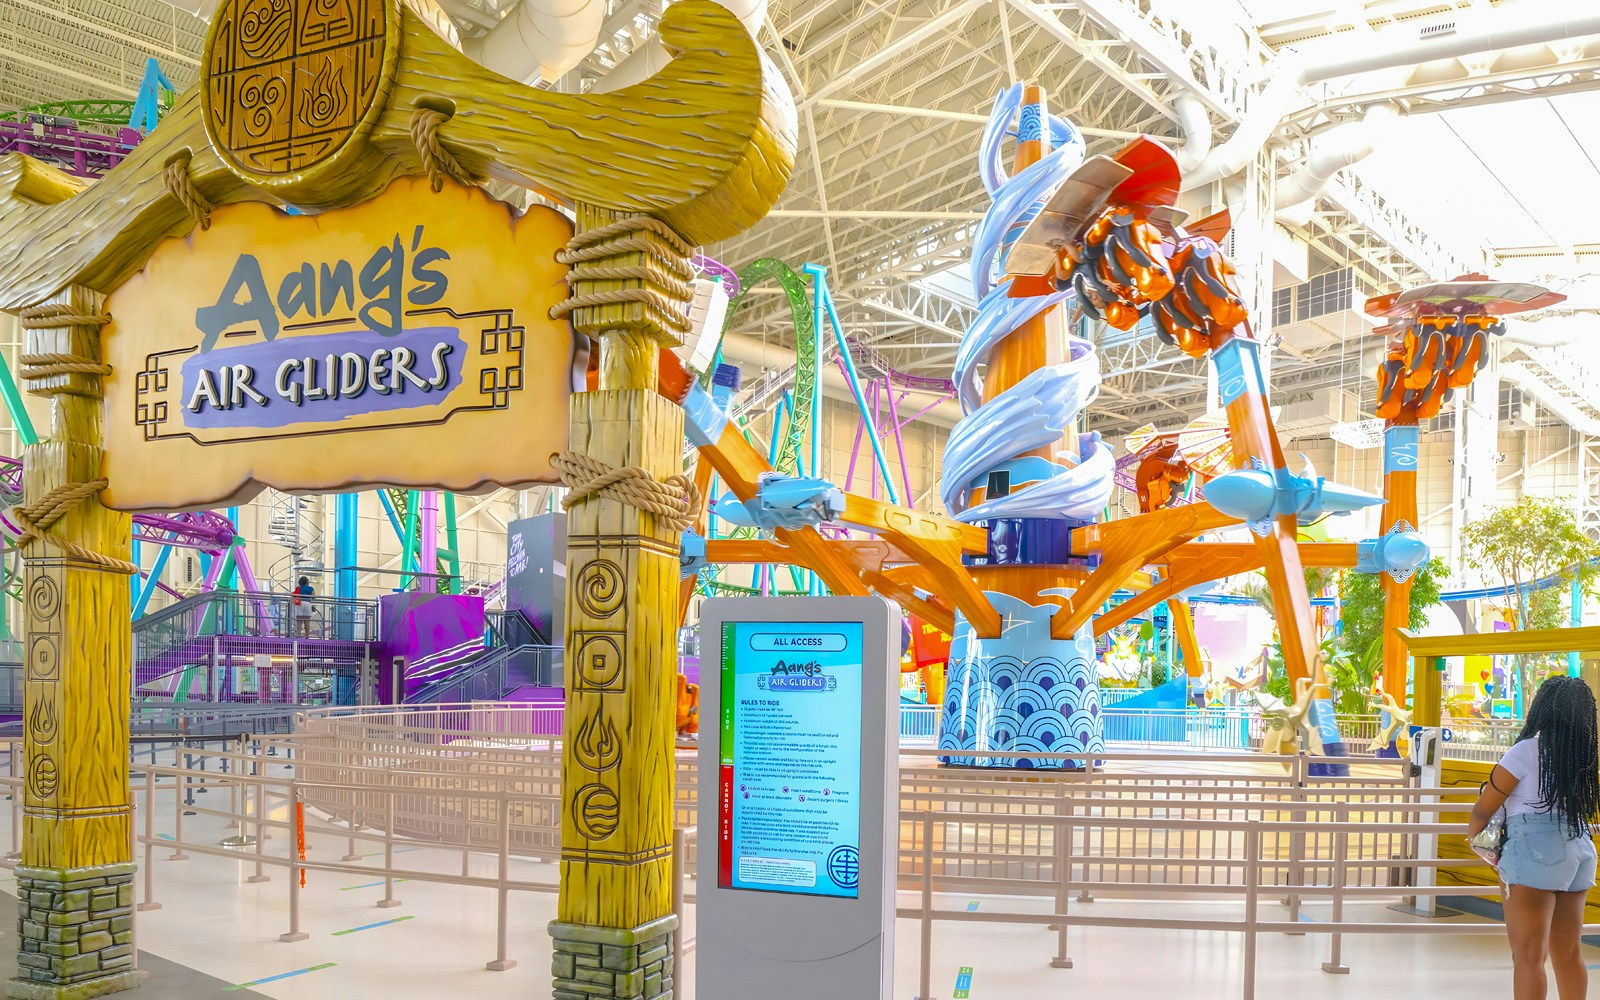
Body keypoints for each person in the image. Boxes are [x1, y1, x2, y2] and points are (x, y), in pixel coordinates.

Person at [1469, 676, 1600, 1000]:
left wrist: (1489, 855)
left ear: (1543, 709)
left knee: (1528, 959)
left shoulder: (1526, 750)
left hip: (1534, 851)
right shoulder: (1583, 756)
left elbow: (1483, 810)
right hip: (1580, 849)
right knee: (1568, 953)